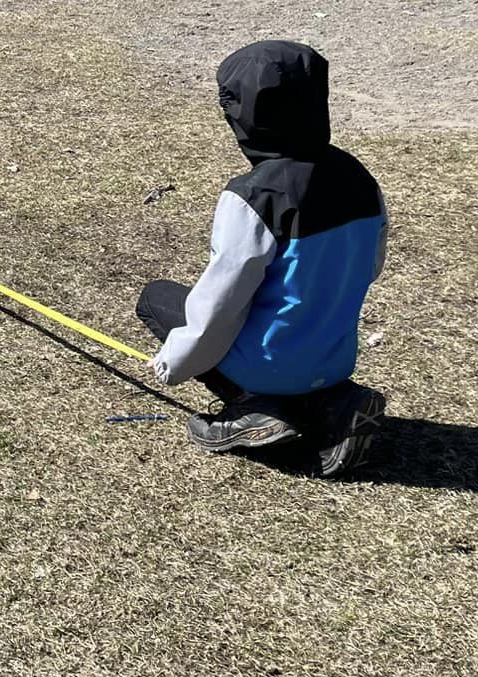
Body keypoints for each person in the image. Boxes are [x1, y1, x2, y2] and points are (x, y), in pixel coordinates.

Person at [136, 40, 389, 477]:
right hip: (334, 358)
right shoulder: (360, 179)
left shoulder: (254, 197)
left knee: (157, 299)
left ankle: (254, 407)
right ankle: (336, 401)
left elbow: (219, 306)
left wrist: (173, 361)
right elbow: (371, 267)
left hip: (267, 365)